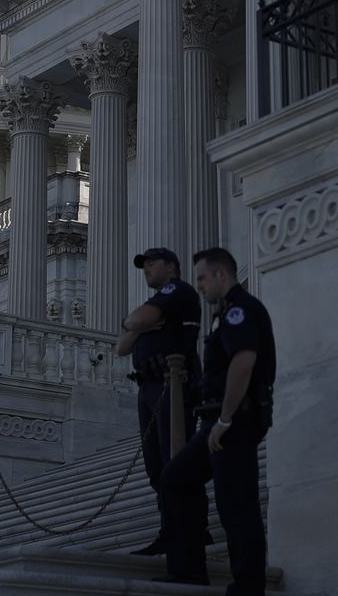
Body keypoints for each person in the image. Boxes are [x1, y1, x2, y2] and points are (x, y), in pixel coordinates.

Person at [156, 247, 276, 594]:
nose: (200, 287)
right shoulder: (225, 313)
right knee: (175, 479)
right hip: (216, 421)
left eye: (203, 279)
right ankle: (187, 569)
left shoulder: (241, 311)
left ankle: (248, 586)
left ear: (221, 275)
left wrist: (225, 419)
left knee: (237, 504)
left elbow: (244, 362)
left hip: (234, 421)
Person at [117, 247, 205, 557]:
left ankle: (189, 528)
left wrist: (136, 323)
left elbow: (135, 322)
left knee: (175, 460)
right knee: (157, 467)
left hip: (173, 385)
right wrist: (136, 324)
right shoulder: (156, 302)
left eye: (151, 264)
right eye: (144, 265)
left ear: (170, 267)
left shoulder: (176, 291)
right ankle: (171, 528)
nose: (146, 269)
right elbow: (122, 347)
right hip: (149, 386)